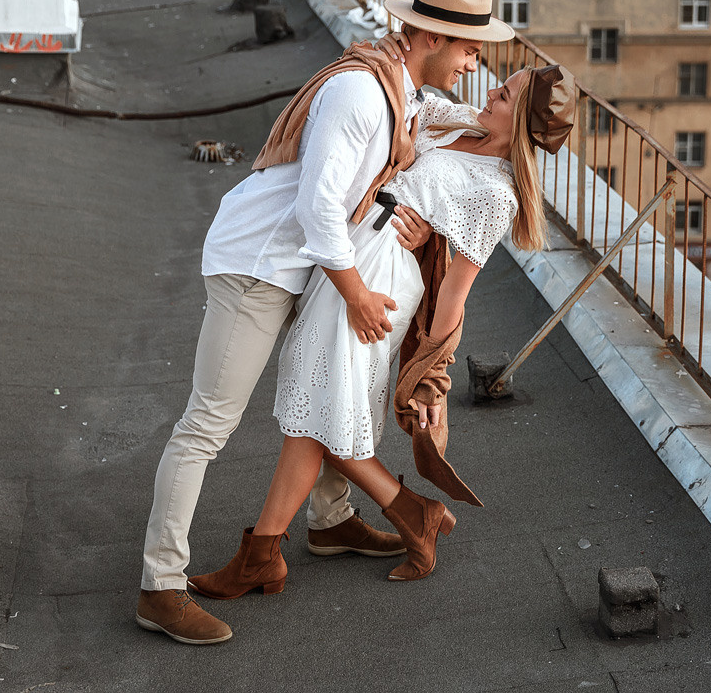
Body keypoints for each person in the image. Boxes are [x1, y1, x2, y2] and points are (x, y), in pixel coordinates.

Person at [135, 0, 515, 646]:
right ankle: (160, 587)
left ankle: (331, 522)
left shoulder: (405, 91)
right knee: (208, 425)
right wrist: (357, 293)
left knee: (329, 392)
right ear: (431, 37)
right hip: (260, 264)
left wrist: (416, 227)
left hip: (307, 265)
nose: (474, 63)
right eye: (468, 48)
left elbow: (426, 174)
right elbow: (318, 205)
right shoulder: (361, 92)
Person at [183, 52, 576, 602]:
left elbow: (454, 293)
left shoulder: (497, 192)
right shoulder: (459, 120)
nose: (491, 93)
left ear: (524, 121)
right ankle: (388, 518)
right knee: (321, 404)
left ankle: (266, 554)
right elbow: (405, 97)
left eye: (505, 95)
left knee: (318, 409)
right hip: (353, 255)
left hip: (383, 279)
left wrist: (432, 374)